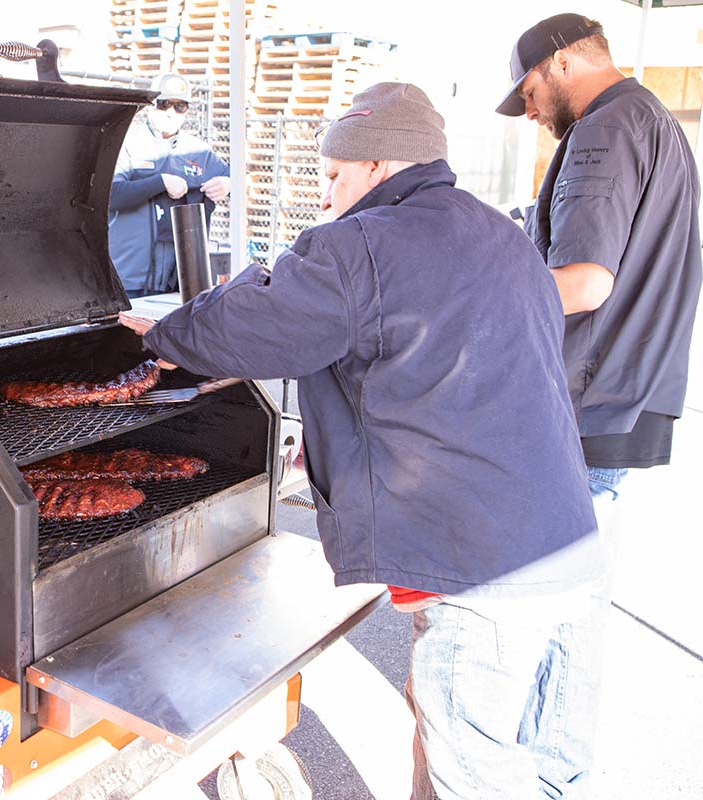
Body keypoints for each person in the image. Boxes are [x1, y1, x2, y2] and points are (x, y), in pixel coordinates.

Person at [119, 83, 604, 799]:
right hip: (557, 548)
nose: (325, 197)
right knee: (468, 742)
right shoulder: (496, 233)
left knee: (475, 772)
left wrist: (163, 336)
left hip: (483, 570)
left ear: (378, 164)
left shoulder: (365, 244)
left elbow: (260, 322)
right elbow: (429, 372)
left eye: (335, 175)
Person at [494, 12, 703, 794]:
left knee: (555, 614)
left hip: (590, 407)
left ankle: (550, 779)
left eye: (530, 93)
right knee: (575, 607)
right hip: (625, 398)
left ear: (560, 63)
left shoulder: (607, 129)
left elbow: (583, 281)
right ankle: (557, 775)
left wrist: (474, 297)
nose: (532, 113)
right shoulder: (657, 121)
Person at [108, 72, 231, 297]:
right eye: (164, 104)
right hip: (131, 277)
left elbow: (235, 174)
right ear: (150, 106)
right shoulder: (126, 143)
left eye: (180, 106)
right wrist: (160, 182)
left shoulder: (198, 151)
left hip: (181, 279)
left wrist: (227, 182)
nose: (171, 113)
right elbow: (111, 195)